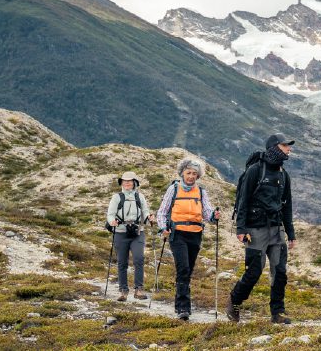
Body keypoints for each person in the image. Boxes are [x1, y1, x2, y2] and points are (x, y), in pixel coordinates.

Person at [227, 133, 297, 324]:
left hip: (276, 229)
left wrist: (291, 233)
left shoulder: (284, 175)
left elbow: (287, 205)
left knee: (280, 271)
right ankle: (234, 301)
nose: (289, 149)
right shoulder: (255, 170)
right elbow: (243, 200)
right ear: (275, 147)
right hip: (255, 229)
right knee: (254, 272)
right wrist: (240, 229)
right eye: (285, 146)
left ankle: (277, 312)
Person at [155, 158, 219, 321]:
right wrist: (164, 228)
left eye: (194, 174)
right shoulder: (173, 189)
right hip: (178, 234)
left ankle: (180, 302)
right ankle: (183, 308)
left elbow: (207, 212)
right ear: (182, 172)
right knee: (183, 268)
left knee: (188, 270)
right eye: (188, 172)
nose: (191, 176)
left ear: (198, 176)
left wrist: (213, 216)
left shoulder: (201, 191)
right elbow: (162, 211)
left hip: (195, 233)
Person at [106, 171, 150, 301]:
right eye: (124, 181)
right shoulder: (116, 197)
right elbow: (110, 214)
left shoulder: (140, 197)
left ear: (134, 183)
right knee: (122, 262)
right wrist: (111, 221)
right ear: (121, 183)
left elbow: (145, 212)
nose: (127, 183)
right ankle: (123, 291)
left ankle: (139, 290)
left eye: (129, 181)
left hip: (137, 232)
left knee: (139, 259)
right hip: (120, 232)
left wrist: (149, 218)